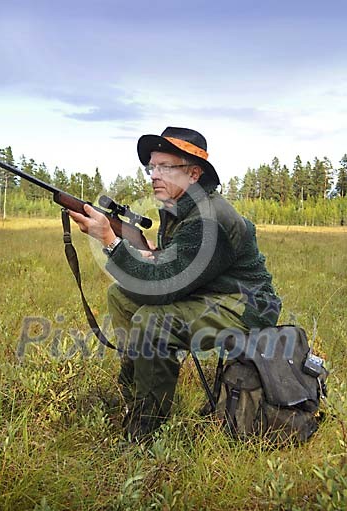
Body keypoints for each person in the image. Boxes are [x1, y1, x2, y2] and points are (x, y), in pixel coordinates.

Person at [69, 127, 281, 441]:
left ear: (194, 174)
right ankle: (137, 393)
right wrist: (147, 254)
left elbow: (164, 288)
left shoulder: (209, 218)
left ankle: (145, 430)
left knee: (154, 322)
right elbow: (176, 263)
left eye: (165, 167)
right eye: (151, 167)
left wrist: (110, 240)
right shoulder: (181, 208)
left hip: (244, 306)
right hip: (208, 293)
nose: (154, 175)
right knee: (120, 296)